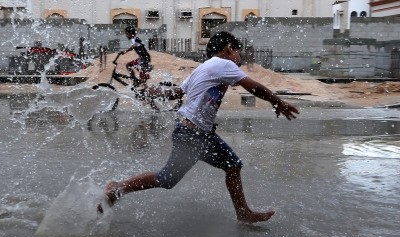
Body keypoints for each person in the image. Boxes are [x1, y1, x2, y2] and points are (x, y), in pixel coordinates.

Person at [100, 31, 299, 223]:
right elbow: (253, 86)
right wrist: (278, 102)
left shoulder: (202, 68)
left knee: (231, 166)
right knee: (167, 178)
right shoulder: (224, 64)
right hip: (193, 134)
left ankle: (243, 213)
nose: (240, 56)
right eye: (238, 51)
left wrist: (154, 92)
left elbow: (176, 93)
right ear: (229, 49)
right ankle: (117, 187)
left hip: (196, 133)